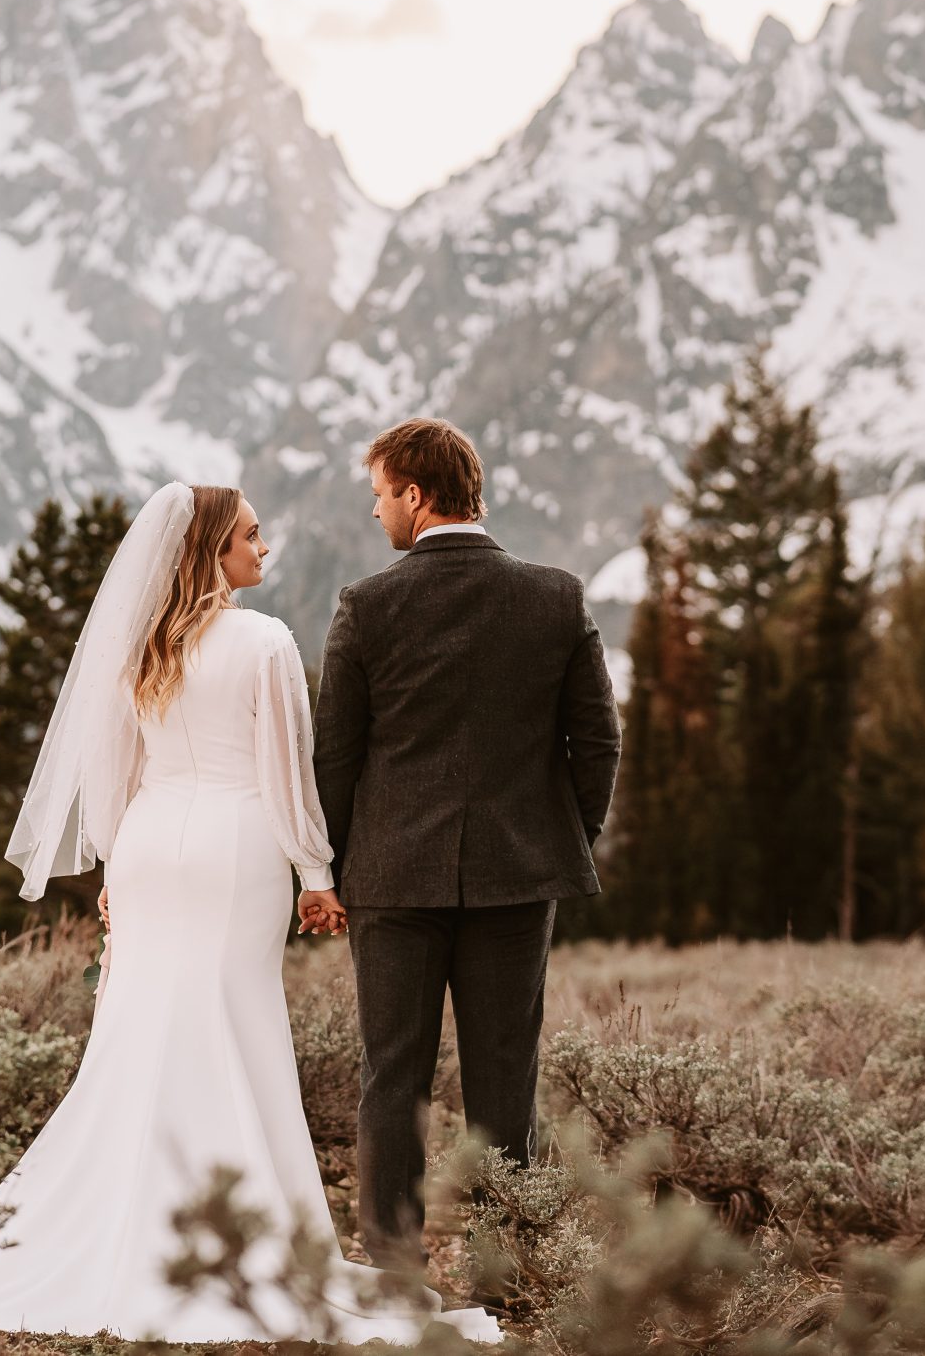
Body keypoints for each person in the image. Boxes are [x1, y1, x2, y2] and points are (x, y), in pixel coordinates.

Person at [0, 481, 502, 1344]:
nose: (263, 549)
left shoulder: (142, 646)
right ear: (212, 552)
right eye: (251, 536)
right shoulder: (264, 642)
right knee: (234, 1020)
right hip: (237, 850)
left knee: (144, 1027)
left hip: (152, 846)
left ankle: (136, 1218)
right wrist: (317, 869)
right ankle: (243, 1231)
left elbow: (116, 771)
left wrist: (118, 863)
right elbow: (286, 772)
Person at [313, 418, 621, 1274]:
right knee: (503, 1082)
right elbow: (597, 744)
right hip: (518, 879)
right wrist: (561, 839)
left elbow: (335, 754)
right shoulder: (555, 597)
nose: (376, 512)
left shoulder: (367, 605)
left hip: (390, 879)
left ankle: (391, 1269)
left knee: (391, 1080)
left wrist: (329, 869)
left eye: (380, 494)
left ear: (416, 493)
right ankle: (508, 1271)